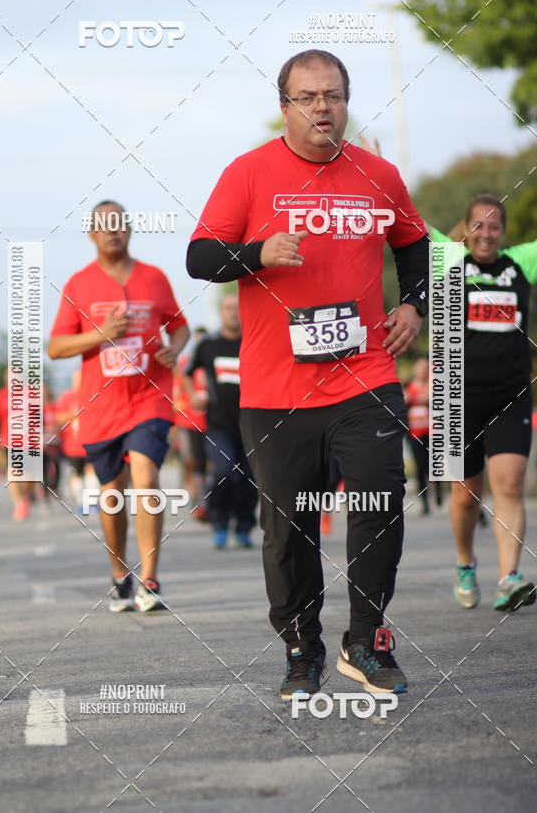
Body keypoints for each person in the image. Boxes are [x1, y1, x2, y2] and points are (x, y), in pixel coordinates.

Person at [187, 50, 429, 697]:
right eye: (308, 97)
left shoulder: (379, 175)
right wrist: (256, 253)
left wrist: (412, 304)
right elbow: (200, 258)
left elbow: (416, 248)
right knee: (287, 532)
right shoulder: (249, 173)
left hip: (364, 376)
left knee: (380, 497)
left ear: (346, 102)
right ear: (284, 106)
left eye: (333, 95)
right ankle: (302, 648)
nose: (322, 107)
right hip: (276, 390)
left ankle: (366, 640)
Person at [48, 200, 189, 613]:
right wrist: (99, 335)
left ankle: (150, 578)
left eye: (120, 225)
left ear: (130, 229)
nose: (113, 232)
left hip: (149, 396)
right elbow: (56, 348)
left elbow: (179, 327)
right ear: (92, 234)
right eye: (104, 226)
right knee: (112, 492)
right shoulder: (78, 284)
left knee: (145, 472)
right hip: (101, 404)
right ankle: (118, 573)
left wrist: (174, 350)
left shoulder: (154, 278)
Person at [431, 195, 536, 612]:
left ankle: (509, 578)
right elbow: (408, 221)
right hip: (454, 396)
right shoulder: (448, 259)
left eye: (494, 227)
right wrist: (377, 167)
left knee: (509, 484)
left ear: (503, 232)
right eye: (479, 226)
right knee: (464, 495)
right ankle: (464, 562)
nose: (487, 234)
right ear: (466, 227)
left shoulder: (520, 264)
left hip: (510, 393)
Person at [185, 294, 258, 549]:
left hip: (252, 422)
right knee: (223, 473)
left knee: (250, 478)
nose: (233, 313)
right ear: (220, 312)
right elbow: (187, 371)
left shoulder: (254, 340)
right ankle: (219, 523)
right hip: (218, 424)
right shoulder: (208, 344)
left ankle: (244, 527)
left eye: (237, 309)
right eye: (228, 308)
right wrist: (193, 394)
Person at [173, 326, 209, 522]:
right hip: (188, 423)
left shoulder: (211, 361)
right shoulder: (185, 365)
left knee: (211, 464)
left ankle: (209, 501)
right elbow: (175, 399)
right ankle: (198, 503)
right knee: (192, 464)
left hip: (212, 422)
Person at [0, 371, 36, 521]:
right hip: (9, 439)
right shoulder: (0, 396)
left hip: (29, 439)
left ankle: (24, 497)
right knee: (14, 471)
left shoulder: (30, 393)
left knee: (30, 476)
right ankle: (19, 503)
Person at [56, 370, 100, 516]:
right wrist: (74, 413)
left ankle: (92, 502)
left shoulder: (93, 394)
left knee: (92, 470)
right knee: (76, 474)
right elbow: (58, 417)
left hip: (91, 440)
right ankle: (81, 503)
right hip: (72, 445)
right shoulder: (66, 397)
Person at [403, 356, 443, 516]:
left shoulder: (434, 385)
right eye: (420, 367)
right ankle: (425, 501)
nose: (423, 370)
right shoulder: (408, 386)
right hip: (415, 434)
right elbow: (404, 401)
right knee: (421, 467)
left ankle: (439, 491)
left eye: (426, 367)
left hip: (434, 432)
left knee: (436, 465)